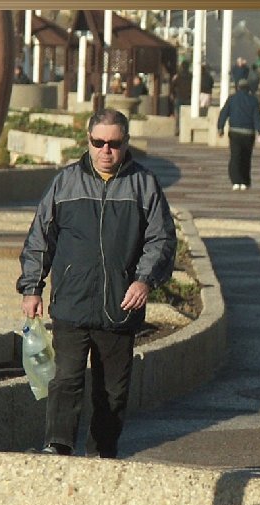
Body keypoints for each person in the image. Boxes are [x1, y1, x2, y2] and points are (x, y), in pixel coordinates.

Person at [17, 108, 177, 458]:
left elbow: (162, 239)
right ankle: (58, 446)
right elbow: (40, 237)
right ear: (88, 142)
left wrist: (144, 281)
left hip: (120, 307)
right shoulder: (65, 182)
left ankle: (102, 454)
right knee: (66, 380)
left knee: (113, 391)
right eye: (98, 142)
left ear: (125, 143)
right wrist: (32, 287)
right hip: (72, 304)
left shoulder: (144, 184)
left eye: (114, 143)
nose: (106, 150)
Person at [217, 78, 260, 191]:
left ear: (238, 88)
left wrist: (220, 127)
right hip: (249, 133)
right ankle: (245, 181)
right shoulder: (253, 100)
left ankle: (235, 181)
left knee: (235, 157)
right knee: (246, 158)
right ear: (248, 89)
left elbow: (224, 113)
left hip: (235, 132)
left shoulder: (232, 99)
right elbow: (257, 117)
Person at [171, 61, 192, 135]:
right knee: (188, 114)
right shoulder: (191, 76)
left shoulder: (178, 76)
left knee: (178, 115)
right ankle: (186, 130)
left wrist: (173, 94)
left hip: (179, 97)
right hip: (189, 97)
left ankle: (178, 129)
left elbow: (172, 86)